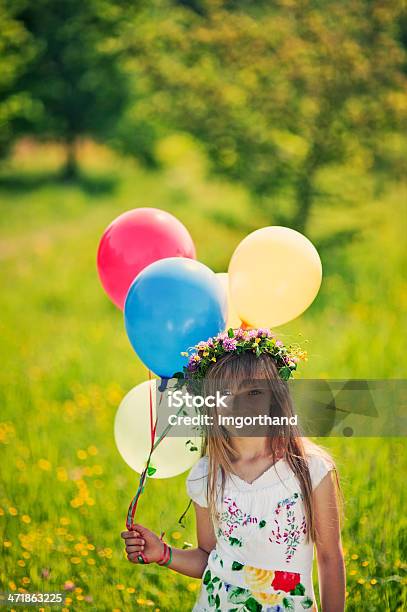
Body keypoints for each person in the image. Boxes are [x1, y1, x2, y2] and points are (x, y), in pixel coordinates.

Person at [121, 328, 345, 611]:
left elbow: (330, 558)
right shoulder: (207, 475)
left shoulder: (310, 469)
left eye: (253, 392)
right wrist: (164, 553)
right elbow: (209, 556)